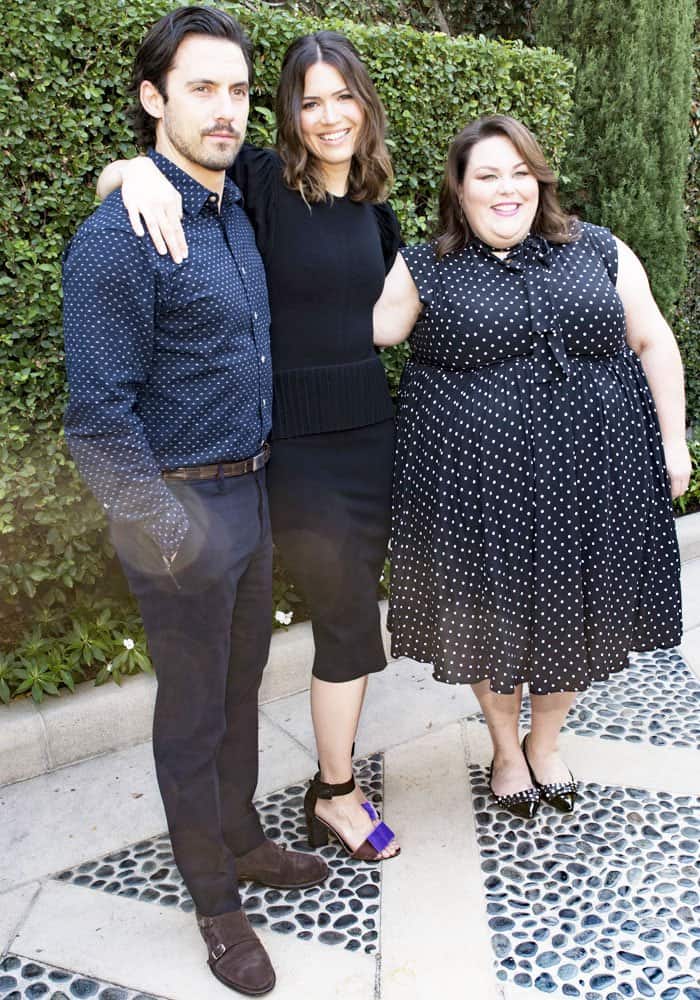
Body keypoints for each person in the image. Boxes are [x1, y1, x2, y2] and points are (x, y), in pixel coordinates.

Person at [63, 8, 328, 996]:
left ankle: (244, 839)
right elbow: (97, 420)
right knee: (190, 717)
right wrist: (170, 538)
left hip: (249, 495)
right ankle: (215, 902)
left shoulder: (235, 208)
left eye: (236, 90)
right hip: (178, 512)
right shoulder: (119, 238)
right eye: (200, 88)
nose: (224, 110)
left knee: (239, 690)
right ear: (153, 98)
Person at [97, 31, 401, 859]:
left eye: (345, 97)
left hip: (375, 437)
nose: (330, 116)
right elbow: (158, 170)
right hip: (298, 451)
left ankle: (325, 785)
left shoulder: (379, 212)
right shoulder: (265, 183)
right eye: (311, 101)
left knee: (355, 617)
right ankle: (333, 794)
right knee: (342, 620)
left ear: (365, 105)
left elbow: (405, 312)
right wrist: (125, 177)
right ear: (290, 115)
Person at [374, 114, 690, 819]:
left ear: (540, 180)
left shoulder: (600, 250)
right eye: (487, 175)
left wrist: (673, 442)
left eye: (520, 172)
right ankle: (505, 749)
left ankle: (545, 742)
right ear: (459, 190)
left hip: (594, 479)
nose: (506, 188)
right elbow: (360, 325)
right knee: (491, 622)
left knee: (575, 616)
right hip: (477, 493)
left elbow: (653, 339)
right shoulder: (425, 265)